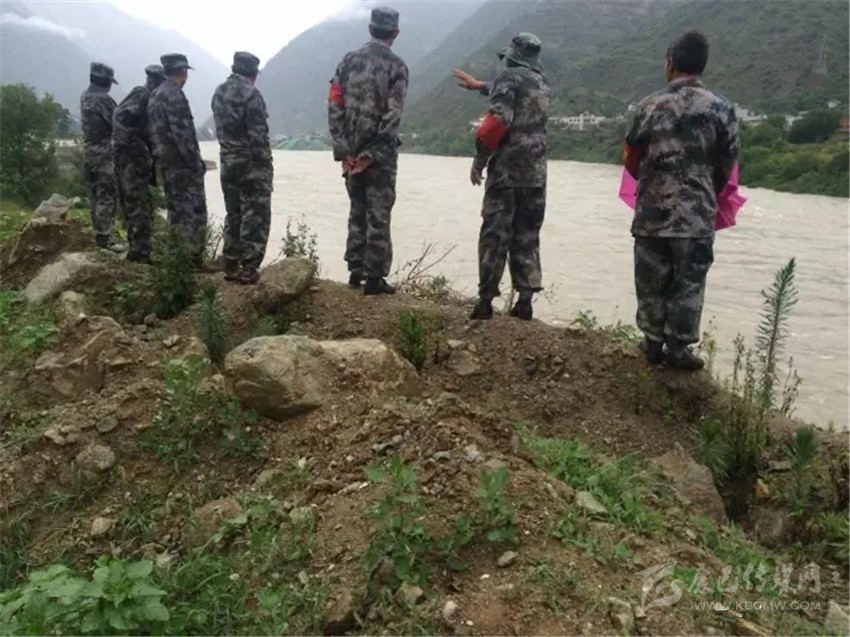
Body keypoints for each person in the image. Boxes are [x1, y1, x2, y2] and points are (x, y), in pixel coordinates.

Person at [623, 31, 739, 370]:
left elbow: (631, 155)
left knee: (651, 278)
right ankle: (678, 349)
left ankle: (651, 342)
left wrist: (649, 182)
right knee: (689, 282)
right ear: (702, 66)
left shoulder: (649, 105)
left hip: (652, 212)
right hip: (696, 213)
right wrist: (705, 191)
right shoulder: (722, 109)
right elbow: (728, 163)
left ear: (670, 63)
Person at [468, 34, 550, 321]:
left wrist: (480, 161)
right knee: (527, 233)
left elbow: (496, 123)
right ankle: (525, 301)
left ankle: (485, 302)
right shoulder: (542, 83)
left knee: (495, 233)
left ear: (513, 55)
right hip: (536, 172)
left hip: (507, 171)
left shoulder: (508, 77)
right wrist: (480, 86)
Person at [327, 6, 408, 296]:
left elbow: (334, 104)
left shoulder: (346, 62)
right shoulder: (397, 67)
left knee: (357, 208)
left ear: (370, 29)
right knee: (379, 213)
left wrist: (345, 150)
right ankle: (374, 278)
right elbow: (393, 114)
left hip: (351, 153)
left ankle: (355, 270)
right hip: (380, 156)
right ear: (395, 33)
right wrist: (371, 154)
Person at [211, 51, 272, 285]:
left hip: (227, 162)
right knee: (255, 215)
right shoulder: (251, 94)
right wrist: (265, 167)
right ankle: (249, 269)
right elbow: (258, 137)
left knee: (233, 213)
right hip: (251, 165)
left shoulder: (219, 92)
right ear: (253, 74)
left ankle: (230, 264)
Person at [148, 53, 208, 264]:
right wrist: (196, 165)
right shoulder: (174, 95)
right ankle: (192, 260)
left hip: (166, 164)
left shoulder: (155, 94)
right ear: (182, 71)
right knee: (194, 213)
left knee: (175, 212)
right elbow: (182, 135)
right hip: (183, 167)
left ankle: (175, 258)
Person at [112, 64, 165, 263]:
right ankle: (140, 252)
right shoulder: (142, 95)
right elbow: (119, 117)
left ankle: (139, 248)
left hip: (133, 160)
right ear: (156, 81)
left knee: (137, 203)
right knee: (137, 203)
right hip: (131, 161)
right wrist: (136, 147)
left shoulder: (147, 97)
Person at [80, 62, 123, 252]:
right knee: (107, 196)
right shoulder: (104, 100)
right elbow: (119, 124)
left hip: (89, 153)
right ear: (106, 81)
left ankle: (99, 234)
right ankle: (105, 238)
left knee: (94, 195)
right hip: (105, 154)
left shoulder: (85, 96)